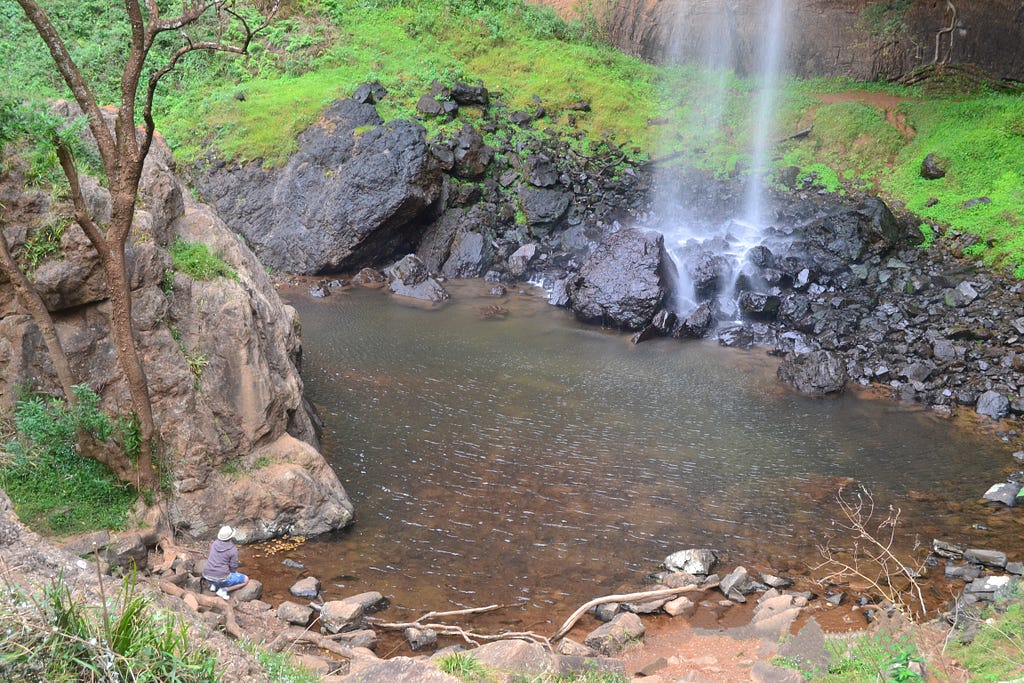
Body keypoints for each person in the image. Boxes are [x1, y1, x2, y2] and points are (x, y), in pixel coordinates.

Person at [203, 525, 248, 600]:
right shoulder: (232, 549)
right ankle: (224, 590)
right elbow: (233, 566)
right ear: (230, 537)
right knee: (246, 579)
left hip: (207, 576)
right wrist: (233, 573)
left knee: (217, 570)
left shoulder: (214, 544)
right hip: (221, 578)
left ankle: (214, 585)